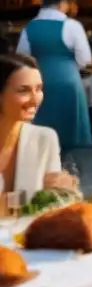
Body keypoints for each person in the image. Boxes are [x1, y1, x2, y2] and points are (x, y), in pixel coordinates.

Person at [16, 0, 92, 152]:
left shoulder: (29, 27)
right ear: (61, 4)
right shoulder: (72, 25)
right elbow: (85, 59)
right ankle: (67, 165)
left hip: (39, 81)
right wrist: (71, 66)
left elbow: (22, 57)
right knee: (68, 132)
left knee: (40, 126)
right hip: (68, 78)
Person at [0, 54, 76, 195]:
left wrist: (64, 189)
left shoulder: (44, 138)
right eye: (24, 90)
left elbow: (51, 204)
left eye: (39, 89)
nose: (35, 100)